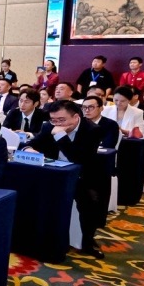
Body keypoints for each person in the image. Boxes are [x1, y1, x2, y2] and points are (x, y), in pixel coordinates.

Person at [24, 100, 108, 258]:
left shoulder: (92, 130)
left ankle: (87, 241)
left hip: (83, 176)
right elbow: (30, 144)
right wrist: (28, 149)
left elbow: (78, 159)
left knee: (90, 200)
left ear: (76, 117)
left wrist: (61, 136)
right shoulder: (49, 126)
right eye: (53, 120)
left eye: (61, 120)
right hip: (53, 175)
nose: (57, 124)